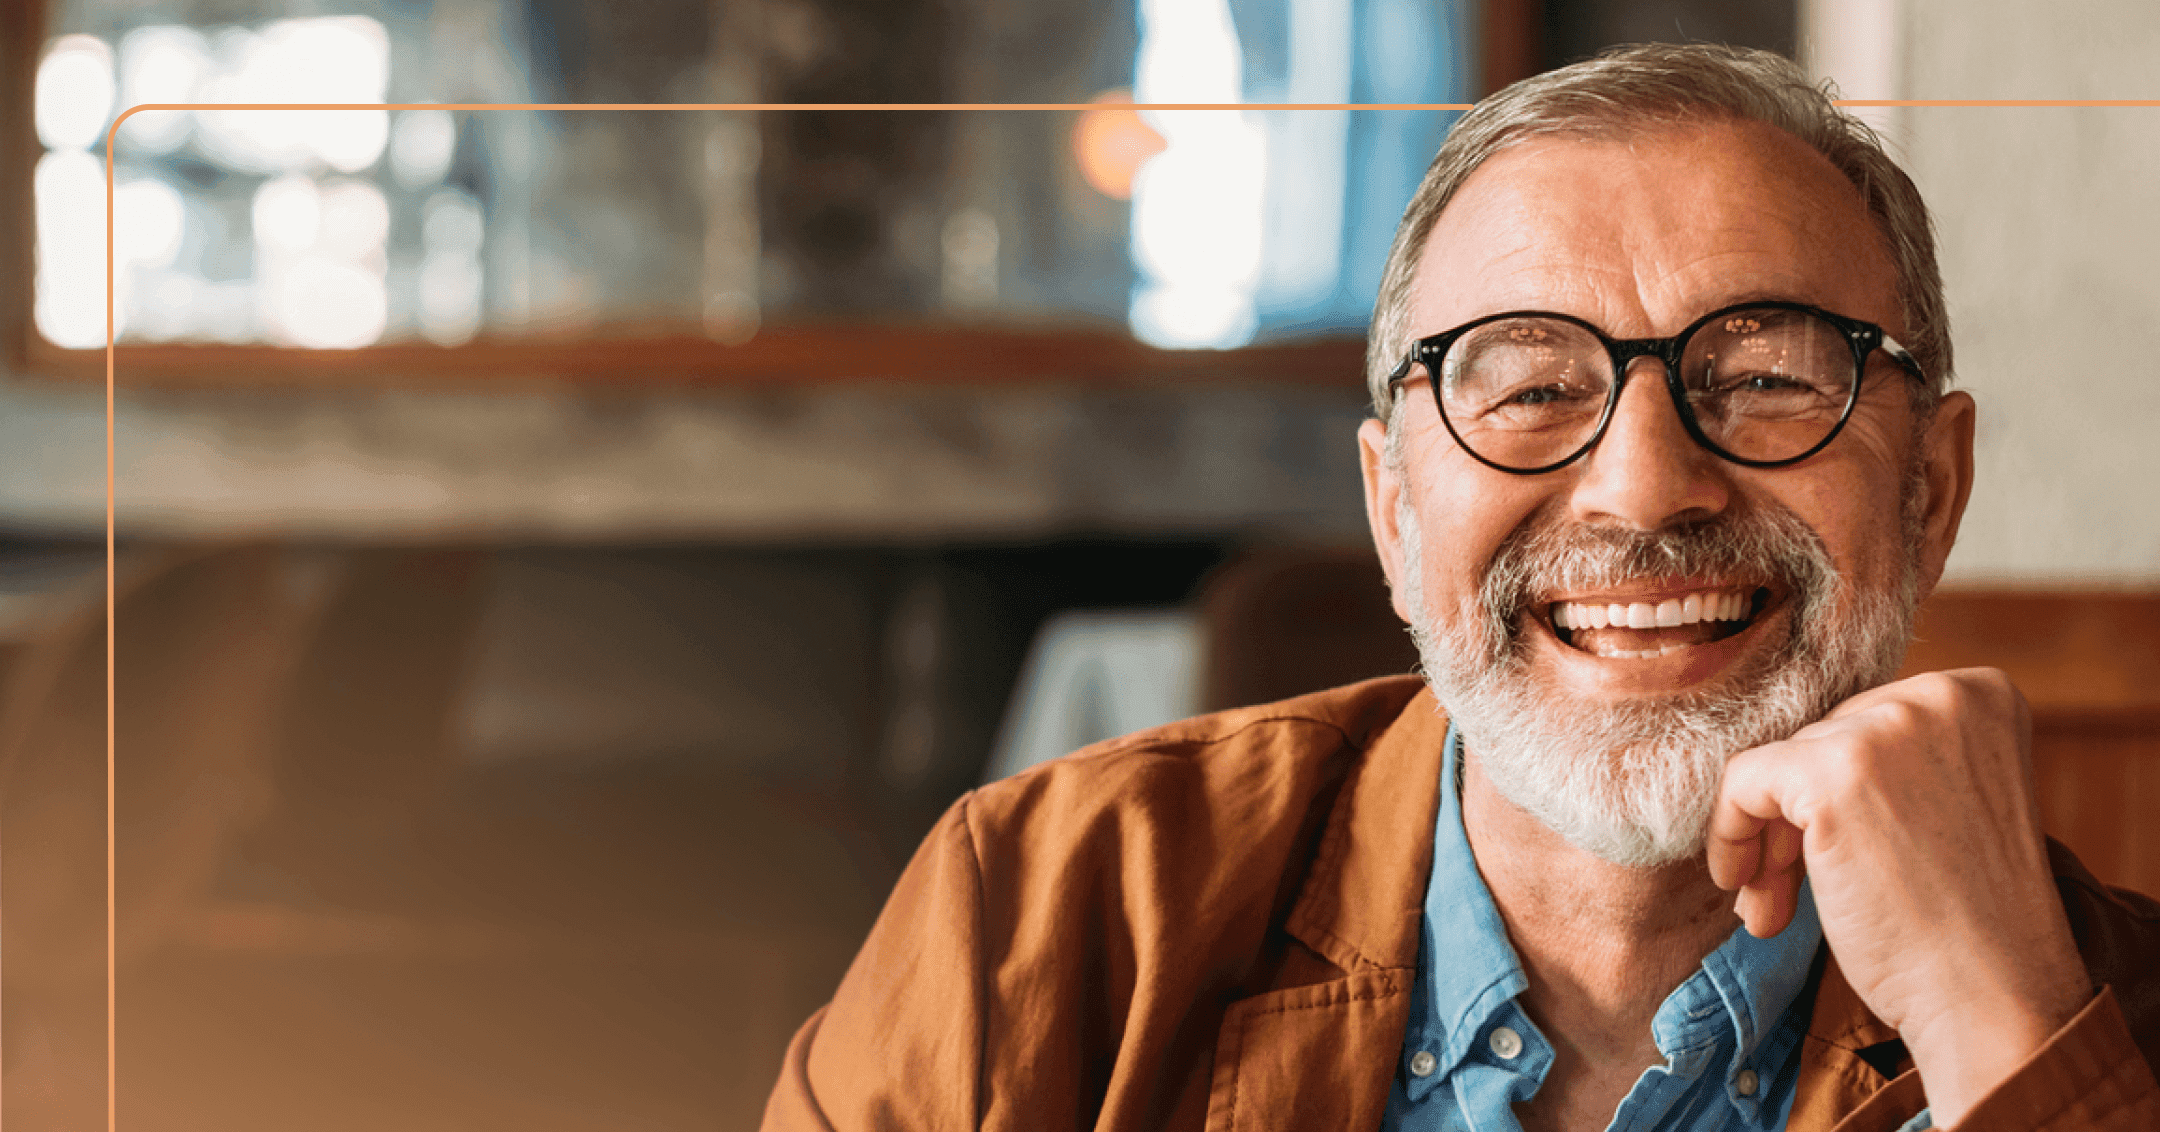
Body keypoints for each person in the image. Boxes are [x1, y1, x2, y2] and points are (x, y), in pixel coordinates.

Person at [762, 44, 2160, 1132]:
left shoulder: (2111, 1019)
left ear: (1929, 488)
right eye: (1536, 386)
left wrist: (2006, 1035)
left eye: (1765, 380)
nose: (1644, 487)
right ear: (1391, 503)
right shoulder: (1043, 919)